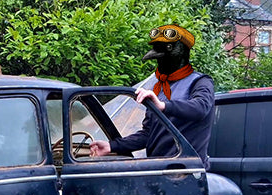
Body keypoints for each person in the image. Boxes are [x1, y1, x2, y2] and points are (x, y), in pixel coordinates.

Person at [89, 24, 215, 163]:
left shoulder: (200, 82)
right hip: (158, 168)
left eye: (166, 50)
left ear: (182, 52)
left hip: (186, 170)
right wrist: (112, 146)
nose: (159, 60)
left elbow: (201, 108)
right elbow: (148, 134)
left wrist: (163, 106)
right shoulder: (159, 90)